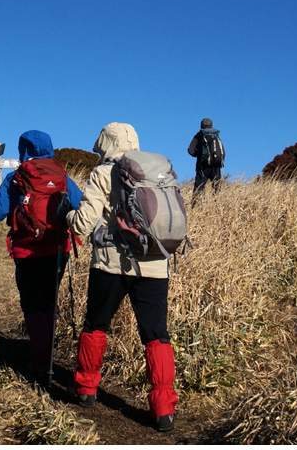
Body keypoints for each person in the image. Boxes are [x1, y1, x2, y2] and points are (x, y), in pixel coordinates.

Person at [62, 122, 178, 433]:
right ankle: (164, 409)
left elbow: (83, 225)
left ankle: (86, 390)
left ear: (107, 143)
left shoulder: (103, 173)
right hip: (155, 264)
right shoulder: (157, 172)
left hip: (111, 264)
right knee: (156, 335)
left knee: (96, 324)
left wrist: (69, 216)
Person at [0, 130, 83, 385]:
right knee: (48, 303)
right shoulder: (62, 176)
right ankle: (45, 358)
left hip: (26, 251)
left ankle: (40, 364)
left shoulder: (16, 178)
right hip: (59, 249)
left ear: (22, 149)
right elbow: (80, 206)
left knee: (32, 305)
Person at [187, 117, 224, 198]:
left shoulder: (199, 135)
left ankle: (196, 207)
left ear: (201, 126)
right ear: (212, 126)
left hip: (202, 166)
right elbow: (222, 152)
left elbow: (190, 150)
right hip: (215, 165)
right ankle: (217, 206)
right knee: (217, 188)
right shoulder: (216, 135)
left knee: (199, 188)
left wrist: (199, 155)